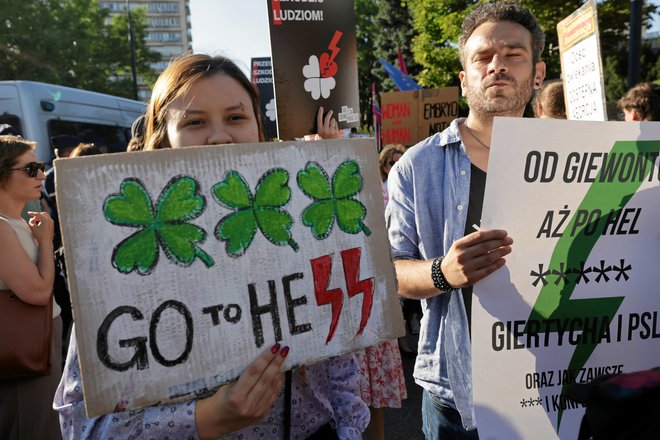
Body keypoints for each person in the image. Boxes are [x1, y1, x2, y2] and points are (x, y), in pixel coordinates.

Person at [54, 54, 369, 440]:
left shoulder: (304, 226)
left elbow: (341, 362)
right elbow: (84, 426)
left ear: (259, 129)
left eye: (236, 118)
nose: (220, 136)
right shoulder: (122, 262)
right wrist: (206, 418)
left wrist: (350, 431)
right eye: (195, 122)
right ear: (163, 138)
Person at [386, 1, 546, 438]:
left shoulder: (582, 160)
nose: (497, 66)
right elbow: (391, 271)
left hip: (555, 382)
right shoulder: (416, 167)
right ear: (464, 78)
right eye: (482, 57)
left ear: (537, 73)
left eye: (513, 54)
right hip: (456, 396)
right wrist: (444, 272)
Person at [0, 135, 62, 439]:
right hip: (26, 351)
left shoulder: (14, 222)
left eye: (39, 167)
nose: (41, 175)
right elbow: (38, 293)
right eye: (30, 169)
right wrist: (46, 241)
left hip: (35, 345)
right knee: (33, 427)